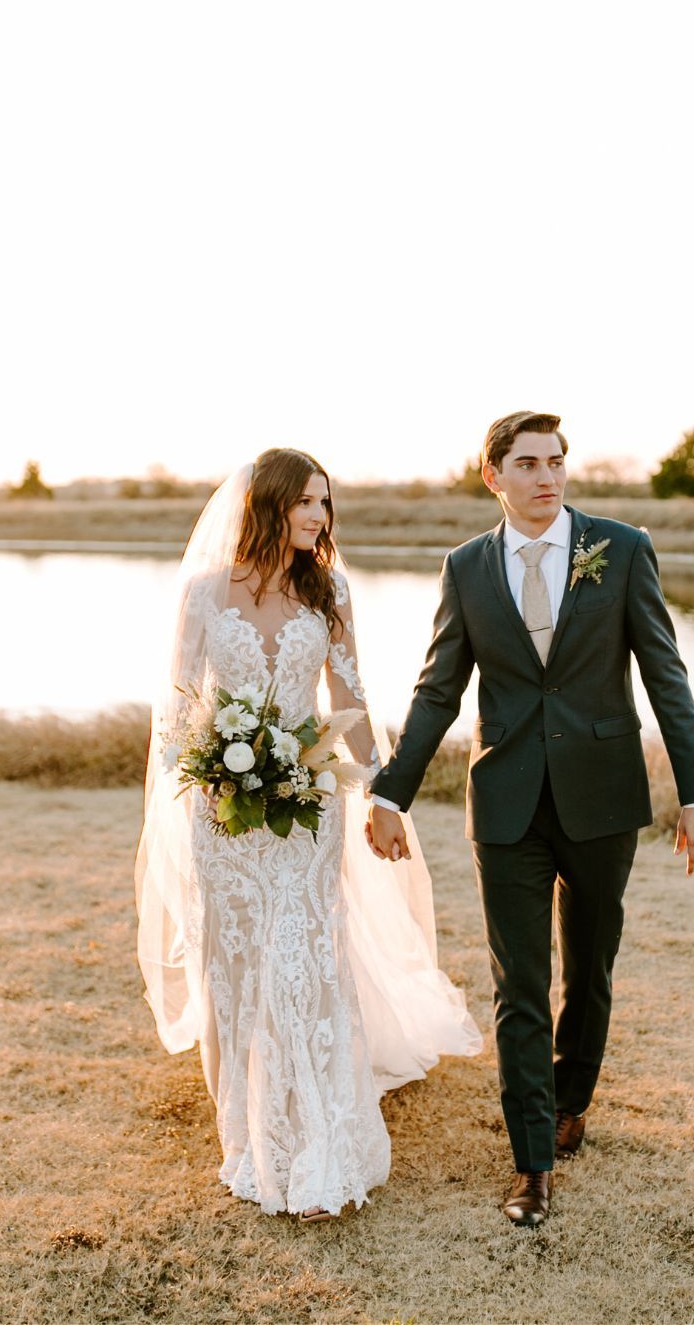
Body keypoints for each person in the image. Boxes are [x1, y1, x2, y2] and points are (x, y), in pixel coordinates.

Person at [368, 410, 694, 1229]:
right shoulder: (466, 569)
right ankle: (532, 1164)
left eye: (557, 462)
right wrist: (391, 791)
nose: (547, 477)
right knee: (517, 986)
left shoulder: (621, 549)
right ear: (493, 475)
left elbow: (667, 676)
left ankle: (572, 1098)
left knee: (588, 970)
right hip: (507, 804)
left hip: (602, 797)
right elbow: (436, 691)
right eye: (527, 463)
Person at [134, 448, 481, 1222]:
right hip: (219, 816)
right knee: (232, 967)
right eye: (306, 503)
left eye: (326, 503)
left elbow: (349, 695)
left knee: (303, 963)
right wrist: (197, 783)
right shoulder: (200, 593)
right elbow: (179, 712)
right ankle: (245, 1135)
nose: (320, 517)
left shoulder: (329, 589)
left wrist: (384, 795)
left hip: (304, 809)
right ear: (267, 504)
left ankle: (321, 1136)